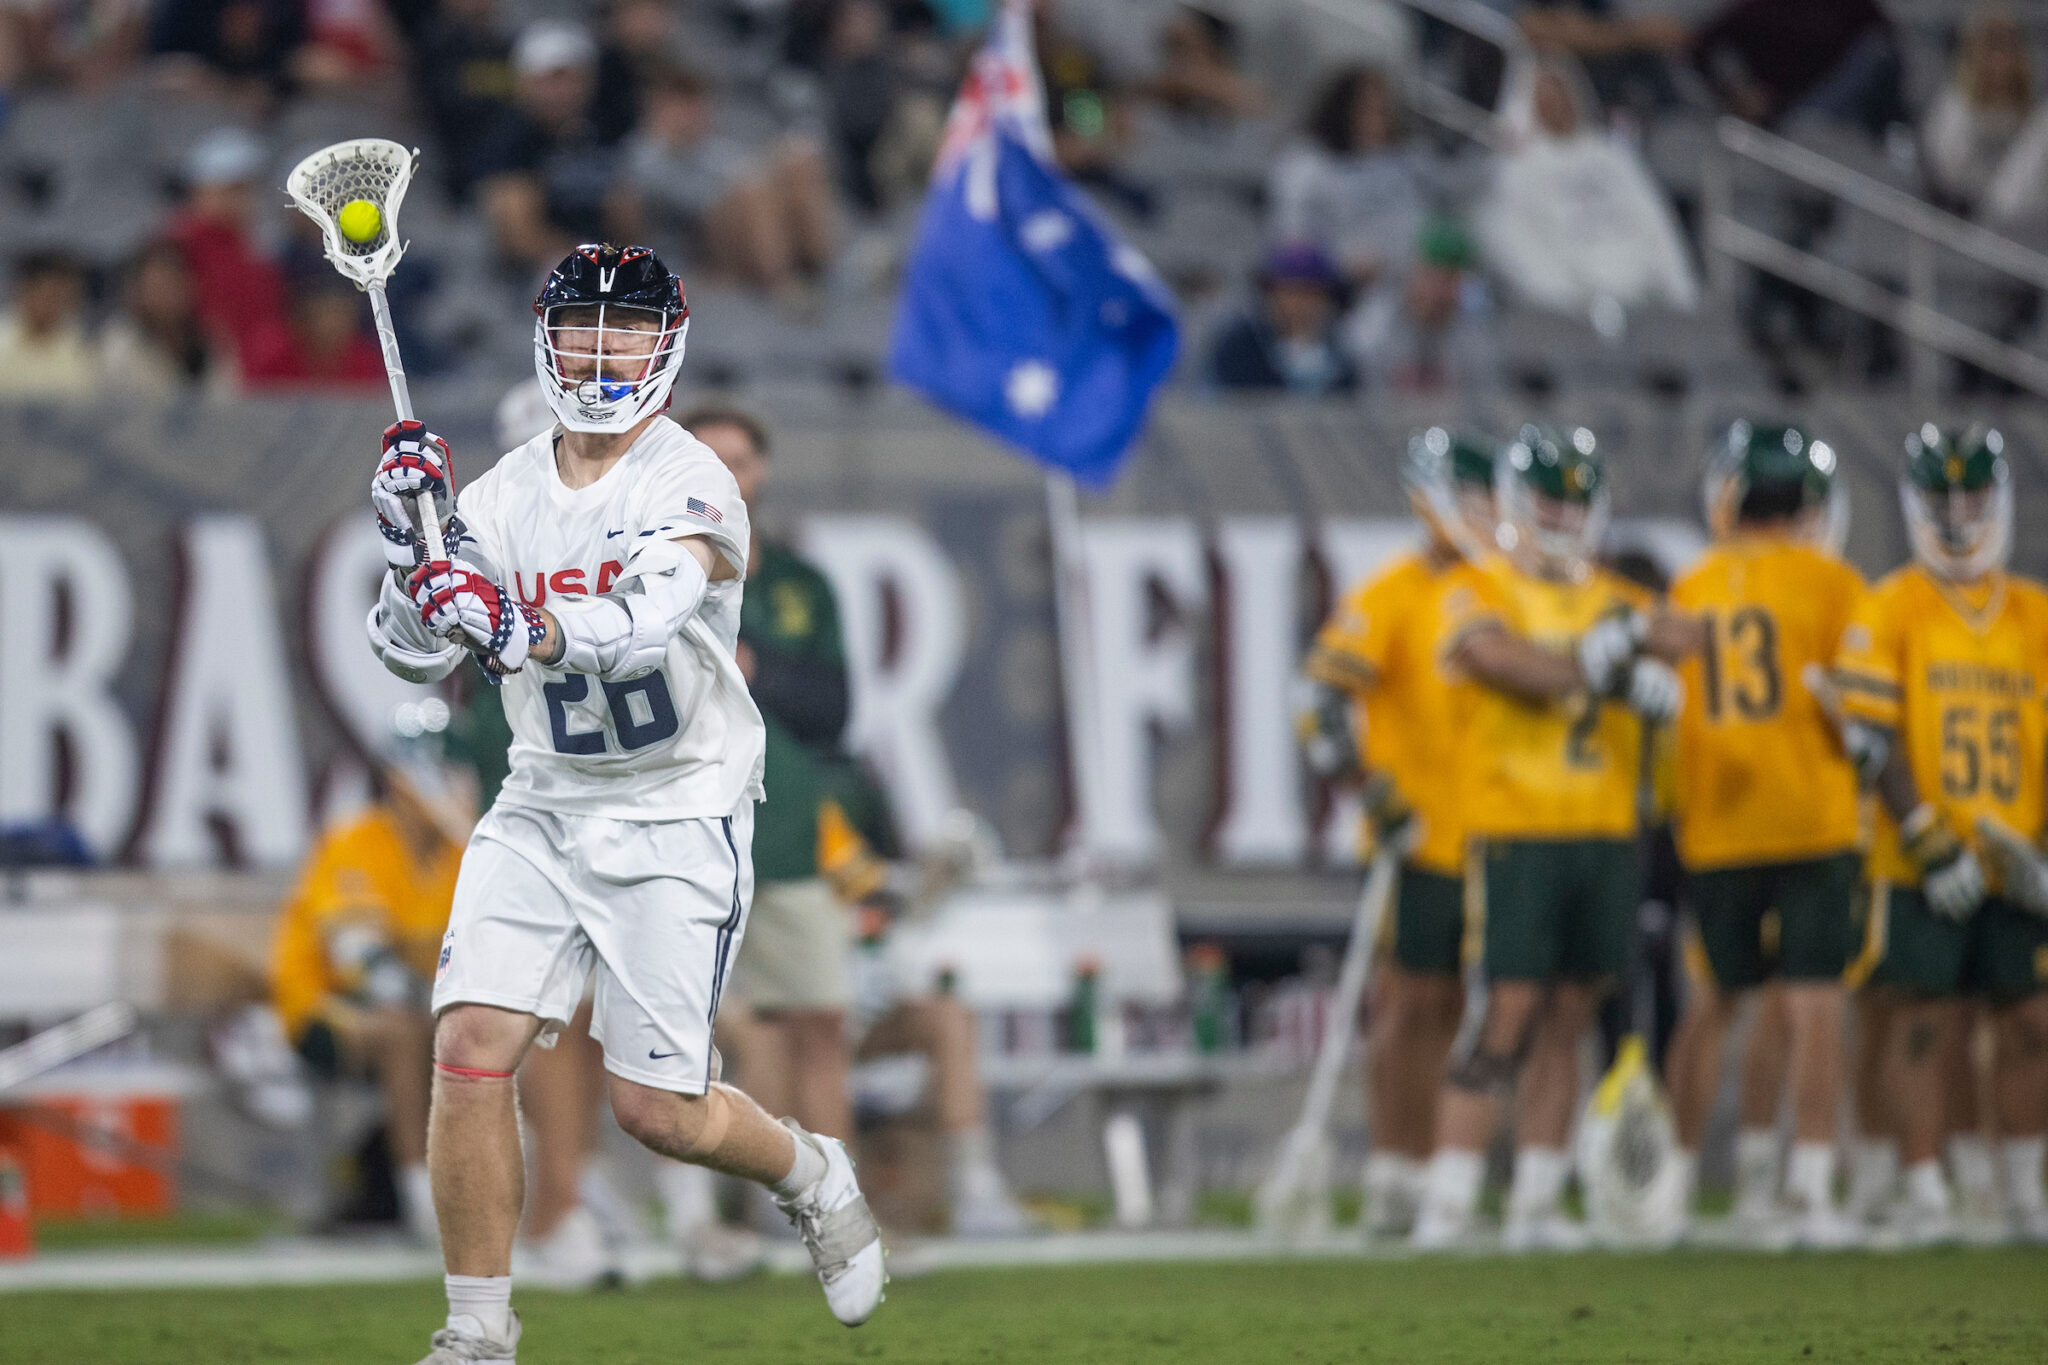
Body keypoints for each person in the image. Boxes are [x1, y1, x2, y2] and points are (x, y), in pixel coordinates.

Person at [364, 243, 884, 1364]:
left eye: (628, 331)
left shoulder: (691, 478)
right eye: (581, 330)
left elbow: (644, 619)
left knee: (659, 1113)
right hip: (543, 798)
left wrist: (522, 624)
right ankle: (477, 1329)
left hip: (675, 807)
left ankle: (810, 1169)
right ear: (543, 341)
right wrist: (413, 557)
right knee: (469, 1043)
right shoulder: (502, 493)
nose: (602, 353)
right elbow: (409, 654)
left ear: (668, 346)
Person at [1411, 424, 1688, 1250]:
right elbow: (1499, 660)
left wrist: (1647, 662)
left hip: (1602, 829)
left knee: (1570, 1011)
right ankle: (1449, 1197)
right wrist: (1602, 665)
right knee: (1506, 1010)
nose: (1562, 514)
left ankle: (1536, 1196)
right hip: (1515, 829)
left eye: (1574, 498)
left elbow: (1690, 633)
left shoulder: (1618, 597)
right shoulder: (1479, 582)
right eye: (1549, 498)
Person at [1833, 424, 2048, 1246]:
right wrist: (1926, 835)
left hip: (2015, 861)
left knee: (2030, 1024)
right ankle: (1926, 1190)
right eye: (1942, 498)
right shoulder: (1890, 604)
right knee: (1920, 1021)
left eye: (1973, 496)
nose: (1958, 516)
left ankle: (2023, 1192)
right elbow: (1871, 736)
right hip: (1917, 862)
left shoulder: (2034, 612)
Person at [1663, 421, 1869, 1247]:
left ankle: (1675, 1183)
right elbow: (1862, 709)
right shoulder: (1834, 583)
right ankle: (1807, 1184)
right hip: (1813, 818)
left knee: (1714, 1004)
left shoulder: (1693, 585)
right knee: (1814, 1004)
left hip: (1720, 822)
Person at [1300, 428, 1499, 1236]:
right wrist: (1372, 793)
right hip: (1421, 836)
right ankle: (1394, 1167)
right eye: (1472, 498)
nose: (1484, 514)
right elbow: (1320, 705)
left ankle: (1442, 1172)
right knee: (1411, 1003)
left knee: (1473, 1011)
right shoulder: (1393, 591)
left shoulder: (1506, 591)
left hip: (1500, 833)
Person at [687, 404, 856, 1144]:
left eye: (740, 459)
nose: (726, 474)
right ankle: (700, 1196)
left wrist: (754, 667)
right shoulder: (644, 569)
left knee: (817, 1019)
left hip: (784, 835)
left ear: (762, 471)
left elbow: (834, 709)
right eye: (708, 456)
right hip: (683, 832)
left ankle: (831, 1188)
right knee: (683, 1031)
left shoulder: (799, 583)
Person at [270, 702, 479, 1247]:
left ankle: (560, 1189)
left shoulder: (466, 851)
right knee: (403, 1028)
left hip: (421, 1001)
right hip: (326, 1003)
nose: (455, 788)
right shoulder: (355, 841)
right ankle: (420, 1197)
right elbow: (358, 962)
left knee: (502, 1027)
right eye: (441, 773)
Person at [1478, 57, 1697, 325]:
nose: (1555, 105)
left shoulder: (1612, 154)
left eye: (1559, 95)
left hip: (1645, 296)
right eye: (1544, 99)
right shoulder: (1517, 170)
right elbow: (1516, 238)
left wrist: (1680, 288)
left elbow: (1654, 218)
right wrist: (1570, 300)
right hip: (1573, 310)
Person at [623, 65, 837, 304]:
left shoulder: (716, 149)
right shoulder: (645, 152)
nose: (693, 113)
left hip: (735, 220)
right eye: (683, 106)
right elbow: (675, 203)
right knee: (750, 191)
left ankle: (823, 268)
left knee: (798, 162)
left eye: (697, 105)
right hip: (698, 240)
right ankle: (781, 283)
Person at [471, 21, 628, 276]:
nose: (562, 92)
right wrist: (590, 262)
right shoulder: (508, 139)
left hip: (604, 261)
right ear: (525, 84)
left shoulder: (605, 130)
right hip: (532, 273)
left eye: (571, 79)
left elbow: (627, 209)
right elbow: (520, 234)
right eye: (550, 81)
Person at [1267, 66, 1427, 294]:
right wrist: (1338, 262)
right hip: (1329, 286)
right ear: (1343, 109)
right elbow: (1292, 238)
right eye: (1368, 110)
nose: (1378, 121)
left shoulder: (1404, 161)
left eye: (1384, 110)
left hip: (1403, 284)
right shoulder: (1307, 164)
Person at [162, 127, 289, 366]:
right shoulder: (176, 244)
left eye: (248, 189)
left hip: (253, 371)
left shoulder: (258, 248)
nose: (242, 200)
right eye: (233, 189)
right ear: (201, 191)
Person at [1346, 218, 1499, 395]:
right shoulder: (1375, 326)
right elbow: (1362, 388)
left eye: (1449, 280)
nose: (1439, 292)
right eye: (1432, 277)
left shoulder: (1474, 336)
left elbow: (1488, 392)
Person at [1922, 6, 2036, 215]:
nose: (2004, 58)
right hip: (1969, 205)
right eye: (1995, 46)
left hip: (2020, 207)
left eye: (2010, 46)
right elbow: (1948, 174)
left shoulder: (2025, 103)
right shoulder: (1957, 103)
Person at [1209, 245, 1357, 395]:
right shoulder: (1240, 348)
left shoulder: (1342, 352)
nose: (1298, 304)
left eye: (1309, 294)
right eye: (1290, 293)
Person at [101, 240, 230, 396]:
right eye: (157, 287)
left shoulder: (212, 342)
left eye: (173, 284)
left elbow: (227, 400)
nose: (166, 297)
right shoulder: (119, 346)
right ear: (137, 292)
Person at [0, 250, 97, 400]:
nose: (54, 304)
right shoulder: (3, 340)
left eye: (62, 296)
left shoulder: (80, 346)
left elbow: (85, 398)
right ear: (25, 290)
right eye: (49, 294)